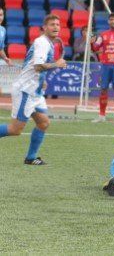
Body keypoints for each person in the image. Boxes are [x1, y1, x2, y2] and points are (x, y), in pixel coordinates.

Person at [0, 14, 67, 165]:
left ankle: (30, 158)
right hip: (26, 91)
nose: (55, 27)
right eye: (52, 24)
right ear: (44, 27)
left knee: (43, 123)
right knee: (15, 129)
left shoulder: (48, 43)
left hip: (35, 91)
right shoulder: (42, 43)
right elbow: (38, 66)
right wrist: (57, 64)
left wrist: (41, 82)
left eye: (57, 24)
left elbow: (32, 66)